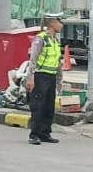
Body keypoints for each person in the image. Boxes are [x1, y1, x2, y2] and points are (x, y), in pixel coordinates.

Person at [23, 12, 64, 146]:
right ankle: (34, 134)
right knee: (38, 106)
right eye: (59, 21)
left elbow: (58, 62)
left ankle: (45, 133)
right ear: (52, 22)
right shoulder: (41, 39)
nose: (61, 24)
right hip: (40, 77)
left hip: (51, 77)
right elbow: (33, 60)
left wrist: (59, 81)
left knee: (48, 107)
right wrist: (30, 79)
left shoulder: (56, 40)